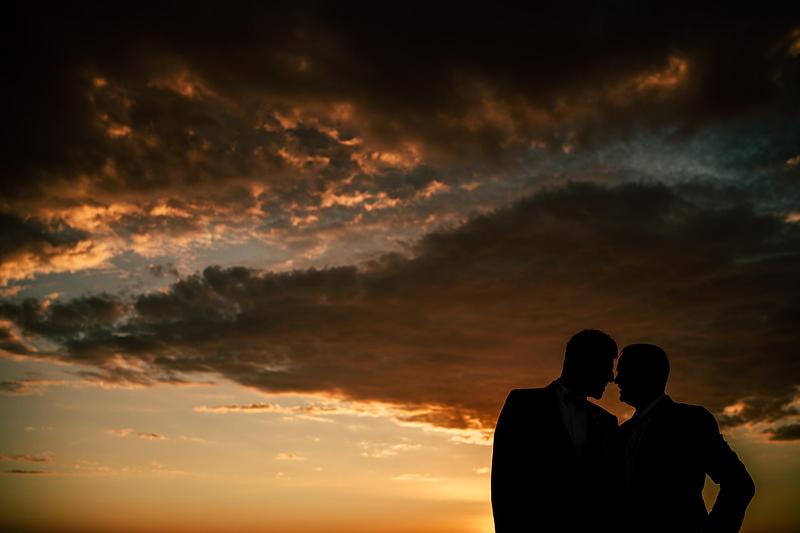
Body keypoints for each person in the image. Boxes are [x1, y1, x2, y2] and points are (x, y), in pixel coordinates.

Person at [615, 344, 755, 533]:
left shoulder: (691, 421)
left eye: (625, 371)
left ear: (647, 374)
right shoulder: (622, 433)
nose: (617, 379)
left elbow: (739, 483)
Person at [491, 329, 620, 532]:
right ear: (581, 363)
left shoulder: (607, 422)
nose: (611, 378)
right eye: (606, 367)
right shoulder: (522, 404)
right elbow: (504, 480)